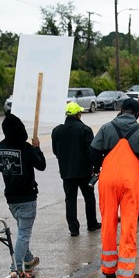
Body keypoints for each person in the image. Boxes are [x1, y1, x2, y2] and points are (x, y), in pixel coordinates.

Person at [90, 98, 139, 278]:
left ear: (121, 110)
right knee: (129, 226)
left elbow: (92, 153)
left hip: (107, 180)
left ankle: (108, 268)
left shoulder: (106, 128)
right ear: (137, 113)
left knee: (108, 222)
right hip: (130, 180)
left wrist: (100, 163)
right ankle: (125, 276)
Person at [0, 114, 46, 278]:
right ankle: (15, 270)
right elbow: (41, 165)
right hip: (26, 197)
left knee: (22, 231)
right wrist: (37, 148)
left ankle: (28, 259)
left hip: (11, 197)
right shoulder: (25, 148)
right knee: (23, 234)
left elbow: (0, 167)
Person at [51, 102, 101, 237]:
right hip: (84, 171)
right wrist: (96, 167)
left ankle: (74, 228)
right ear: (78, 114)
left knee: (70, 200)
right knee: (89, 197)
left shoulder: (57, 131)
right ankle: (92, 224)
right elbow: (91, 152)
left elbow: (56, 151)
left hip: (66, 172)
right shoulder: (85, 129)